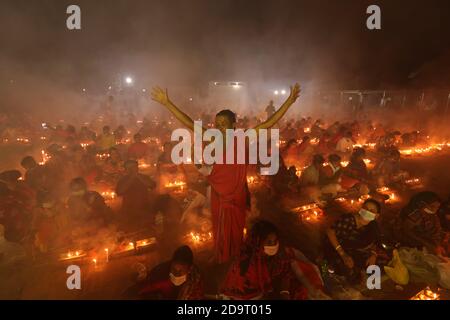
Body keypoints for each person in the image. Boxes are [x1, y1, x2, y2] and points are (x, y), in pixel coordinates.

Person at [151, 83, 301, 263]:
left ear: (233, 124)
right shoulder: (213, 137)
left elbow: (269, 122)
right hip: (218, 191)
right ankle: (221, 254)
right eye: (217, 123)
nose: (220, 126)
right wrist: (167, 103)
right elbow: (188, 122)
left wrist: (289, 102)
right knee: (219, 225)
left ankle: (235, 253)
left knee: (236, 226)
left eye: (224, 123)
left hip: (236, 192)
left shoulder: (244, 137)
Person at [221, 220, 328, 300]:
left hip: (271, 290)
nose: (274, 245)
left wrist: (284, 292)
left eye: (275, 241)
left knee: (302, 288)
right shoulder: (246, 266)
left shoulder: (278, 255)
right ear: (258, 243)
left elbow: (285, 273)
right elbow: (245, 295)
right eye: (269, 242)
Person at [325, 199, 382, 284]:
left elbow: (376, 241)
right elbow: (330, 232)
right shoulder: (348, 220)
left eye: (371, 211)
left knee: (378, 264)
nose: (367, 211)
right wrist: (343, 254)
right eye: (365, 208)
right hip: (338, 248)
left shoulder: (373, 225)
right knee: (346, 269)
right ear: (361, 209)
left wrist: (373, 255)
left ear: (376, 215)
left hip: (356, 250)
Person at [137, 245, 204, 300]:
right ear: (171, 264)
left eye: (180, 272)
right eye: (174, 270)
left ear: (189, 269)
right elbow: (142, 292)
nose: (176, 275)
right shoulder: (159, 276)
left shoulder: (195, 279)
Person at [394, 191, 445, 256]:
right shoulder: (415, 214)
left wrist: (437, 244)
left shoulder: (432, 216)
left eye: (437, 207)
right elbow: (407, 231)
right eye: (432, 206)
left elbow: (436, 230)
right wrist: (426, 244)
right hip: (413, 248)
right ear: (422, 204)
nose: (435, 210)